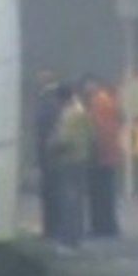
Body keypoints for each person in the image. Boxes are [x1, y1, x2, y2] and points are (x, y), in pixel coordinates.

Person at [48, 83, 94, 249]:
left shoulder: (68, 115)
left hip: (68, 160)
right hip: (82, 158)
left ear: (61, 99)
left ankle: (68, 240)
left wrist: (51, 145)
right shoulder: (81, 111)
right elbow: (91, 134)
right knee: (78, 200)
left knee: (68, 201)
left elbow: (64, 140)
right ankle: (77, 238)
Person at [81, 74, 123, 237]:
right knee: (105, 194)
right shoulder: (106, 100)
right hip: (108, 155)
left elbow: (99, 130)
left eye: (87, 85)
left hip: (101, 155)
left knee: (99, 194)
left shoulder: (98, 102)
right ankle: (107, 226)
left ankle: (101, 227)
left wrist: (95, 150)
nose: (85, 89)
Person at [33, 70, 67, 239]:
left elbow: (45, 125)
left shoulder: (49, 99)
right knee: (52, 191)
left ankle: (52, 229)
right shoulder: (54, 98)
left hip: (50, 152)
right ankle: (52, 228)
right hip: (52, 152)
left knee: (51, 192)